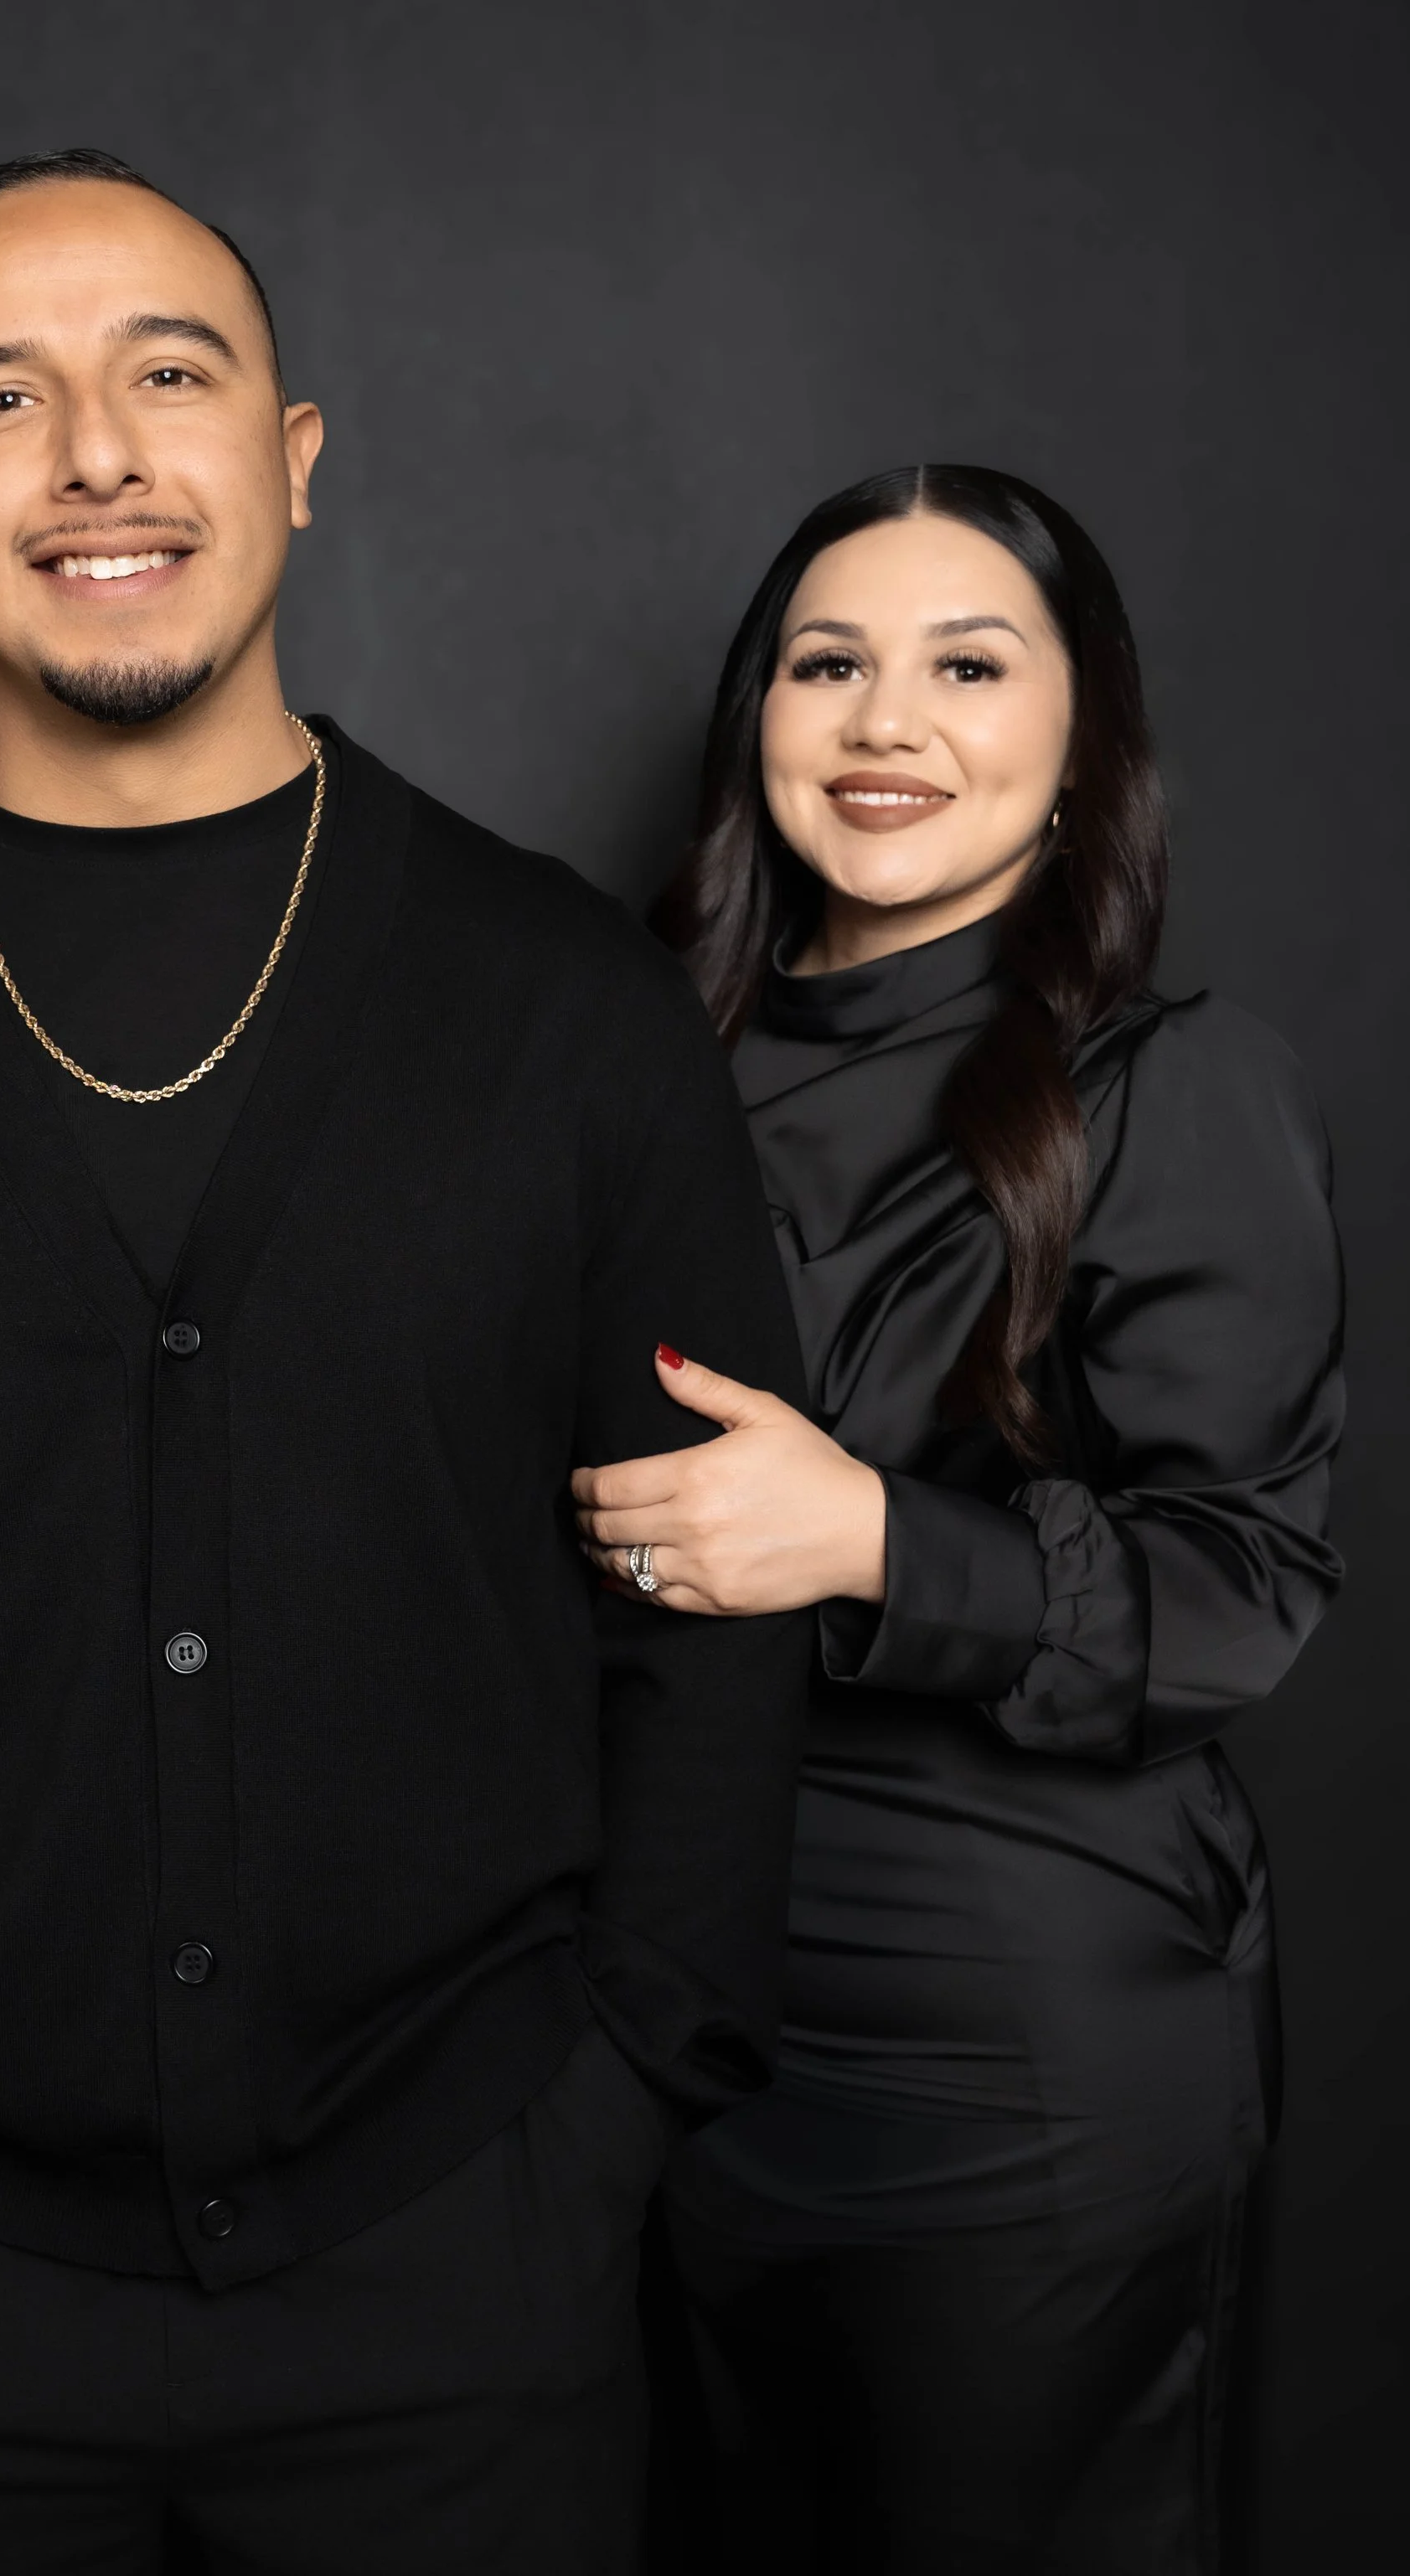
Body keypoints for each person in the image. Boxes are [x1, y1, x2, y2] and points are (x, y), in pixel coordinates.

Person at [0, 148, 810, 2573]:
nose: (95, 449)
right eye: (1, 399)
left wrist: (618, 2098)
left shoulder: (569, 1017)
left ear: (290, 458)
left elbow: (711, 1616)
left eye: (165, 373)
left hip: (460, 2273)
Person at [574, 464, 1342, 2573]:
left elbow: (1241, 1588)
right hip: (647, 2016)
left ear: (1079, 736)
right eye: (826, 663)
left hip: (1009, 2052)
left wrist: (872, 1544)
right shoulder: (616, 1059)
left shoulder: (1172, 1087)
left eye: (964, 664)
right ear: (758, 717)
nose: (881, 719)